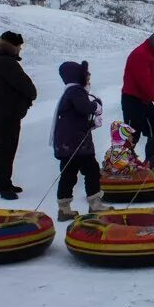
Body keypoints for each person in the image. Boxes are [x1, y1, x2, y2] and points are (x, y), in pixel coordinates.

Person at [0, 31, 37, 200]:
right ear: (12, 46)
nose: (20, 49)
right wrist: (28, 97)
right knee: (6, 150)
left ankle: (4, 183)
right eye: (19, 46)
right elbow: (27, 87)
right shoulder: (7, 63)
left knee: (5, 149)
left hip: (3, 113)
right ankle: (3, 186)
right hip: (6, 114)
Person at [50, 60, 103, 221]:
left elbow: (75, 117)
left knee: (68, 173)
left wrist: (91, 123)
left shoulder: (69, 92)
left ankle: (64, 208)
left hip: (67, 143)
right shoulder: (76, 91)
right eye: (86, 75)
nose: (88, 79)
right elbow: (83, 108)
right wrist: (96, 105)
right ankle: (95, 204)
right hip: (77, 143)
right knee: (92, 170)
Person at [121, 31, 154, 161]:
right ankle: (118, 164)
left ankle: (152, 163)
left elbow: (152, 79)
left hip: (144, 100)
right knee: (132, 134)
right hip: (133, 100)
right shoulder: (140, 54)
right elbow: (144, 83)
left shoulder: (150, 54)